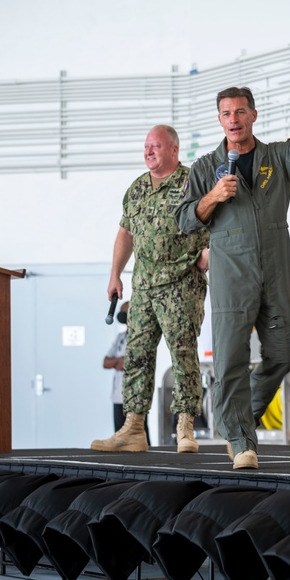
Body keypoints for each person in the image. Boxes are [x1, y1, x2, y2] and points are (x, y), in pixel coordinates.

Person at [175, 73, 290, 470]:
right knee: (230, 358)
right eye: (226, 113)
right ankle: (241, 440)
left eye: (240, 111)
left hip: (277, 266)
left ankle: (237, 415)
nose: (234, 119)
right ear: (220, 120)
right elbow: (183, 220)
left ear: (253, 115)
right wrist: (213, 196)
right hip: (232, 270)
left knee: (283, 353)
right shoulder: (206, 167)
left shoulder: (277, 158)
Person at [92, 125, 210, 454]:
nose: (148, 152)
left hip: (181, 283)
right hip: (142, 285)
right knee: (137, 355)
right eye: (146, 147)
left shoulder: (194, 181)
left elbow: (222, 217)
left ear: (174, 149)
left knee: (183, 355)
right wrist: (115, 274)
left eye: (155, 146)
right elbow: (126, 233)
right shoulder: (137, 189)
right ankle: (133, 428)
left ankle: (186, 427)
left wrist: (209, 250)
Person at [104, 300, 129, 431]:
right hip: (118, 394)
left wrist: (123, 362)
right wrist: (119, 360)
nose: (121, 315)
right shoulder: (120, 337)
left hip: (134, 396)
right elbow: (105, 362)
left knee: (138, 432)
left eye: (124, 311)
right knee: (118, 432)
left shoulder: (142, 337)